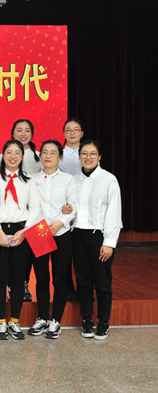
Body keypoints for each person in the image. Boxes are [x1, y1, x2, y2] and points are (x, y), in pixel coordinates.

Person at [0, 140, 40, 341]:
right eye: (9, 152)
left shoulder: (29, 180)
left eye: (17, 152)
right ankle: (1, 321)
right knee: (0, 278)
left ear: (22, 156)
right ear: (2, 155)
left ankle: (15, 321)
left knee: (19, 280)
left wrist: (25, 231)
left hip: (22, 231)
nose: (13, 156)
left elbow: (34, 207)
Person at [72, 140, 122, 340]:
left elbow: (114, 212)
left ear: (99, 156)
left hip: (99, 236)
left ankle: (103, 321)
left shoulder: (109, 180)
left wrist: (109, 242)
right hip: (77, 235)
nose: (88, 157)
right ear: (79, 156)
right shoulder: (73, 180)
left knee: (102, 281)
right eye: (84, 153)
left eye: (93, 153)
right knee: (83, 280)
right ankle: (86, 319)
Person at [28, 140, 77, 339]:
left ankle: (56, 321)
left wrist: (61, 222)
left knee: (59, 279)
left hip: (61, 232)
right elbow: (29, 205)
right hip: (38, 232)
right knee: (41, 279)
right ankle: (42, 318)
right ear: (40, 155)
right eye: (45, 152)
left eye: (53, 152)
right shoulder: (32, 179)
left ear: (60, 157)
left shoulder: (67, 180)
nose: (48, 156)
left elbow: (73, 205)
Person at [11, 119, 42, 301]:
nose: (23, 134)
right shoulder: (5, 155)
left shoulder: (39, 156)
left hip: (36, 214)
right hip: (14, 214)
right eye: (19, 130)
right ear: (12, 133)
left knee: (31, 253)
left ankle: (25, 285)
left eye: (27, 130)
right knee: (15, 253)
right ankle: (13, 285)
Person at [58, 118, 85, 302]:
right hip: (65, 209)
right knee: (65, 254)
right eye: (68, 129)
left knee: (82, 255)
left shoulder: (88, 152)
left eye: (76, 129)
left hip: (85, 210)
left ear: (82, 133)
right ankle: (68, 288)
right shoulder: (59, 155)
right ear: (64, 133)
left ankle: (84, 289)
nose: (72, 132)